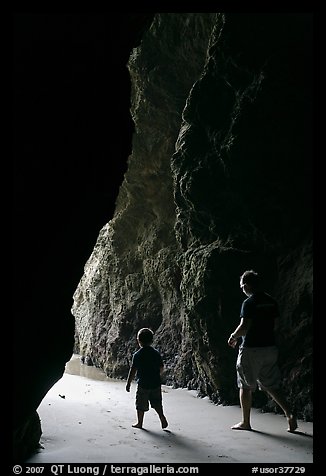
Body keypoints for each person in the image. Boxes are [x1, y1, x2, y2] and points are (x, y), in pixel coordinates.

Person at [227, 269, 297, 433]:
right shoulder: (271, 301)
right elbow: (277, 325)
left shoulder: (249, 303)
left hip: (251, 349)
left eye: (241, 286)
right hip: (270, 348)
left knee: (244, 385)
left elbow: (245, 326)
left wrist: (233, 336)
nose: (242, 289)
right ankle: (289, 413)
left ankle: (245, 422)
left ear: (246, 285)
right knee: (271, 384)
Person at [126, 327, 168, 429]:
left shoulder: (137, 355)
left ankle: (140, 423)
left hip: (143, 384)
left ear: (139, 341)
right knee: (157, 402)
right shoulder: (156, 353)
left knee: (140, 404)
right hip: (155, 383)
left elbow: (133, 370)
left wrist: (128, 383)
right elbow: (161, 367)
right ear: (152, 340)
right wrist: (158, 375)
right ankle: (161, 417)